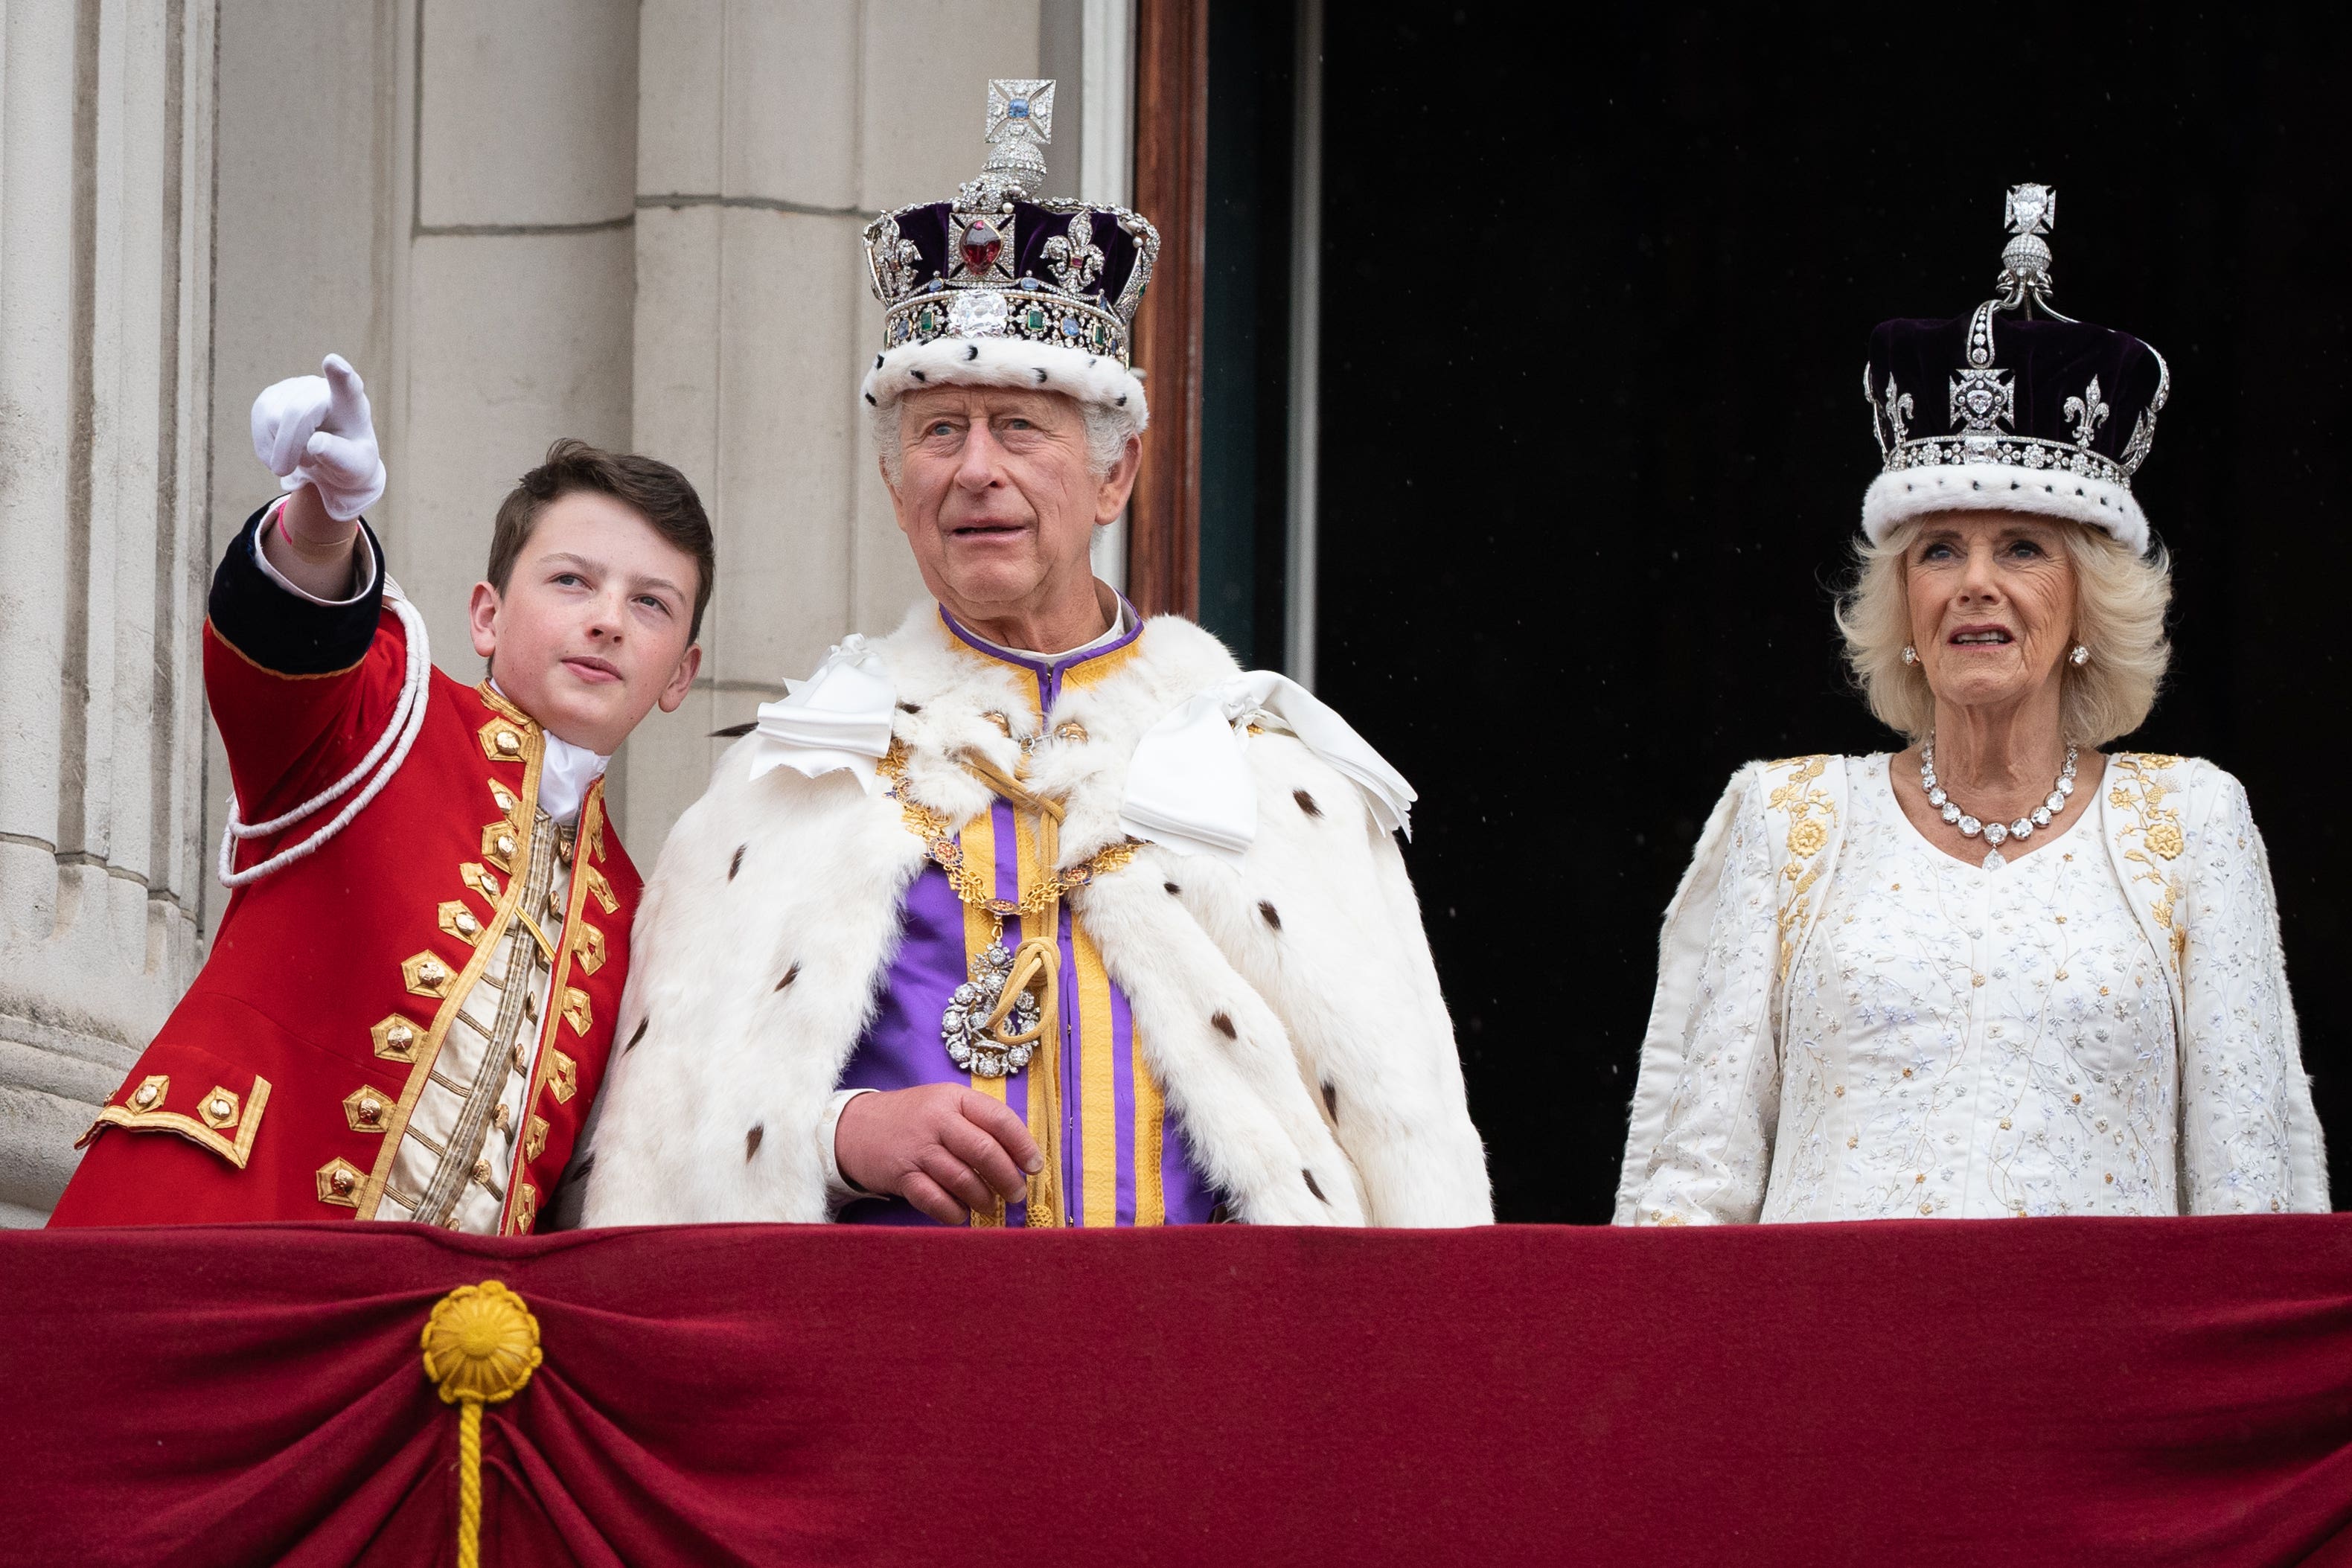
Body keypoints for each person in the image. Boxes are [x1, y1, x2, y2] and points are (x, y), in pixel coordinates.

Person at [579, 79, 1489, 1229]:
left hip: (1205, 1370)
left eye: (1021, 427)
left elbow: (1403, 1165)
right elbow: (658, 1163)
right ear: (892, 480)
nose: (975, 470)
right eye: (938, 432)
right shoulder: (783, 783)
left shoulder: (1276, 776)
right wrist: (839, 1132)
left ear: (1116, 472)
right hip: (892, 1367)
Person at [1616, 186, 2327, 1224]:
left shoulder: (2192, 826)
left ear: (2089, 598)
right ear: (1904, 601)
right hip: (1835, 1375)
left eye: (2024, 548)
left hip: (2103, 1379)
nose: (1975, 582)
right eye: (1941, 548)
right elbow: (1695, 1187)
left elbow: (2248, 1192)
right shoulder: (1788, 821)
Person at [48, 357, 712, 1232]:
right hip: (200, 1245)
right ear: (486, 615)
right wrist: (322, 521)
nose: (609, 619)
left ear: (681, 676)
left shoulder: (632, 912)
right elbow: (284, 651)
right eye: (570, 580)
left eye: (652, 604)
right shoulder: (384, 711)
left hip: (409, 1346)